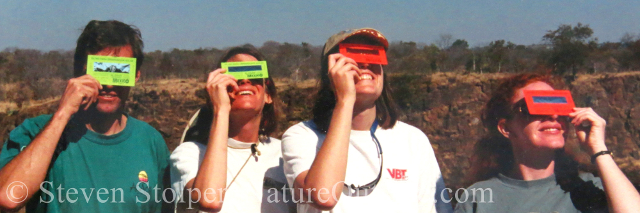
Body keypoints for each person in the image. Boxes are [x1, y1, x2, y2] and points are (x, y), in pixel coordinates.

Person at [0, 20, 170, 212]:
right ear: (79, 71)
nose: (109, 85)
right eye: (101, 70)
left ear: (136, 75)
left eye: (120, 71)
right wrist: (62, 114)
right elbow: (8, 198)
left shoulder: (151, 141)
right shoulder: (35, 131)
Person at [281, 28, 453, 213]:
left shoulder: (413, 140)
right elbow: (324, 197)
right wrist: (346, 100)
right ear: (330, 73)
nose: (365, 64)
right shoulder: (301, 136)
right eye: (352, 56)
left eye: (373, 56)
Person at [454, 73, 640, 212]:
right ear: (506, 128)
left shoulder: (588, 188)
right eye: (535, 107)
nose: (552, 115)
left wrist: (598, 150)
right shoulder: (478, 198)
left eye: (559, 107)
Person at [170, 46, 294, 212]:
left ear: (268, 95)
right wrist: (220, 109)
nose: (245, 81)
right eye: (234, 76)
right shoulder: (190, 153)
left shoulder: (285, 154)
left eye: (254, 74)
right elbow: (210, 200)